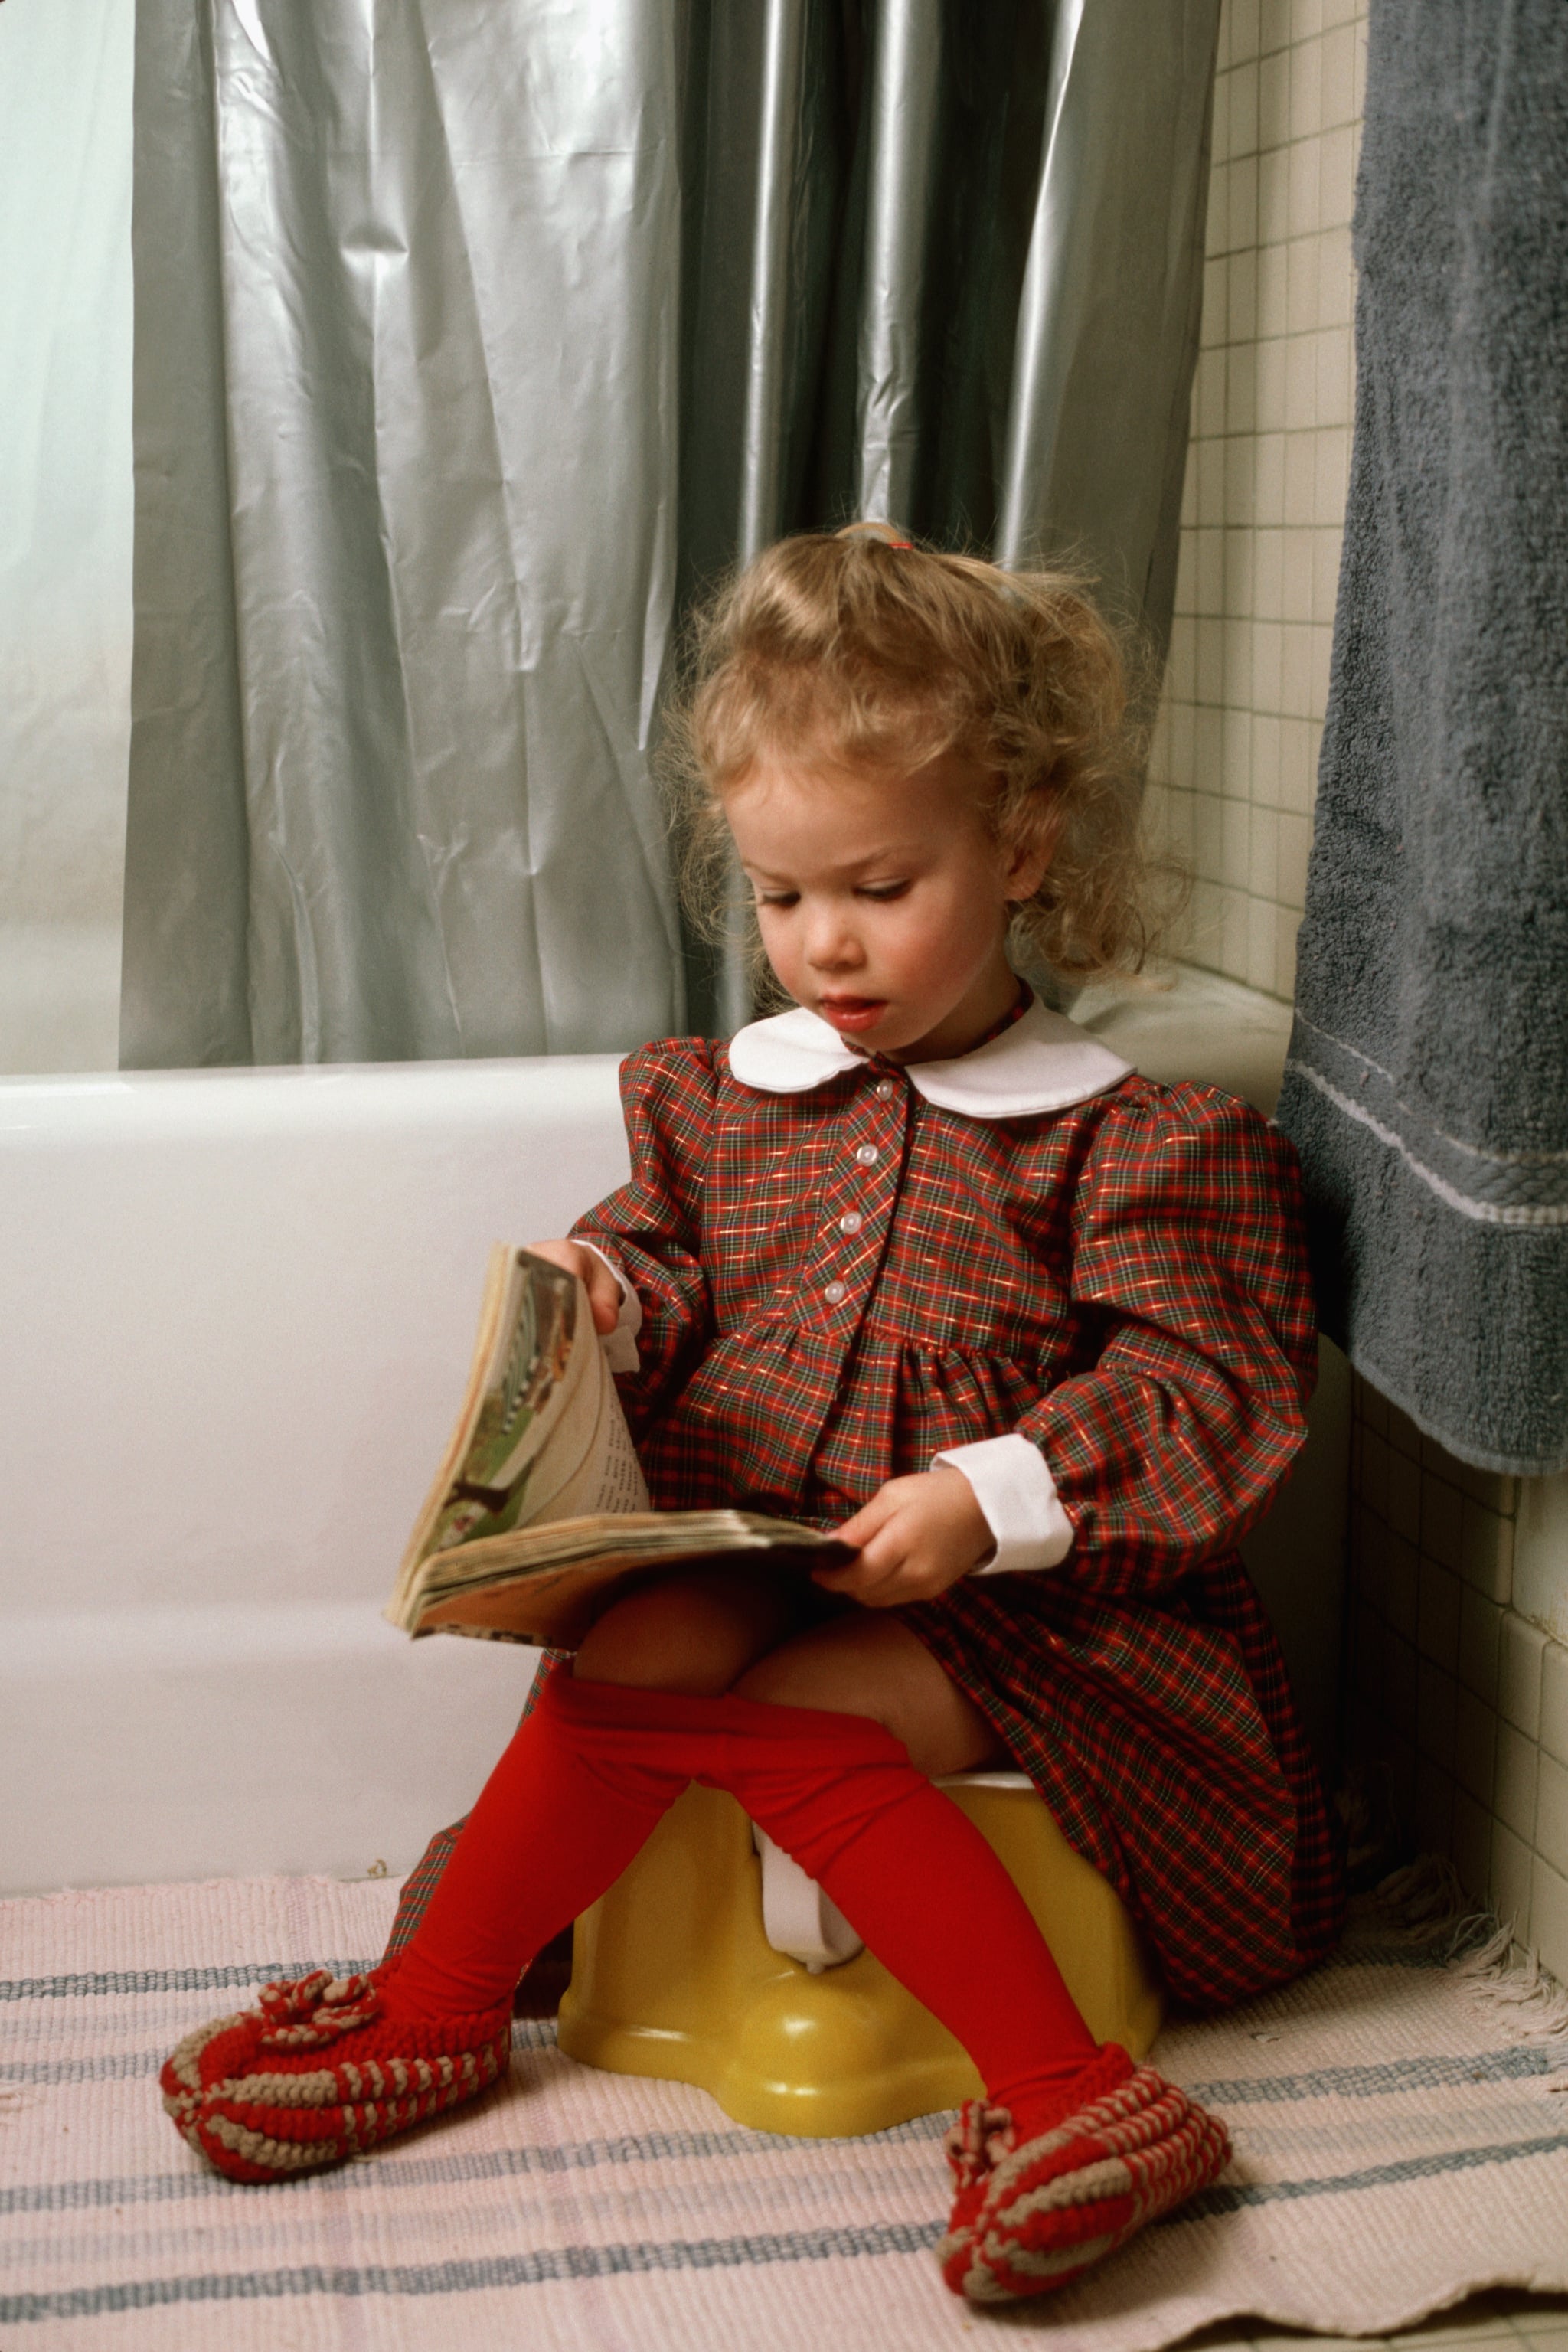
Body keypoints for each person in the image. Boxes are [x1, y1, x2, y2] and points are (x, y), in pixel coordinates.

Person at [161, 524, 1343, 2305]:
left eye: (876, 886)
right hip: (763, 1539)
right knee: (638, 1642)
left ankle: (1077, 2094)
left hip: (1031, 1613)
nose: (824, 946)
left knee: (788, 1707)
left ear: (1018, 846)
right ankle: (447, 2011)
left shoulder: (1129, 1142)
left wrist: (985, 1492)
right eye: (783, 898)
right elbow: (675, 1258)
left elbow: (1204, 1385)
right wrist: (609, 1305)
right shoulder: (723, 1106)